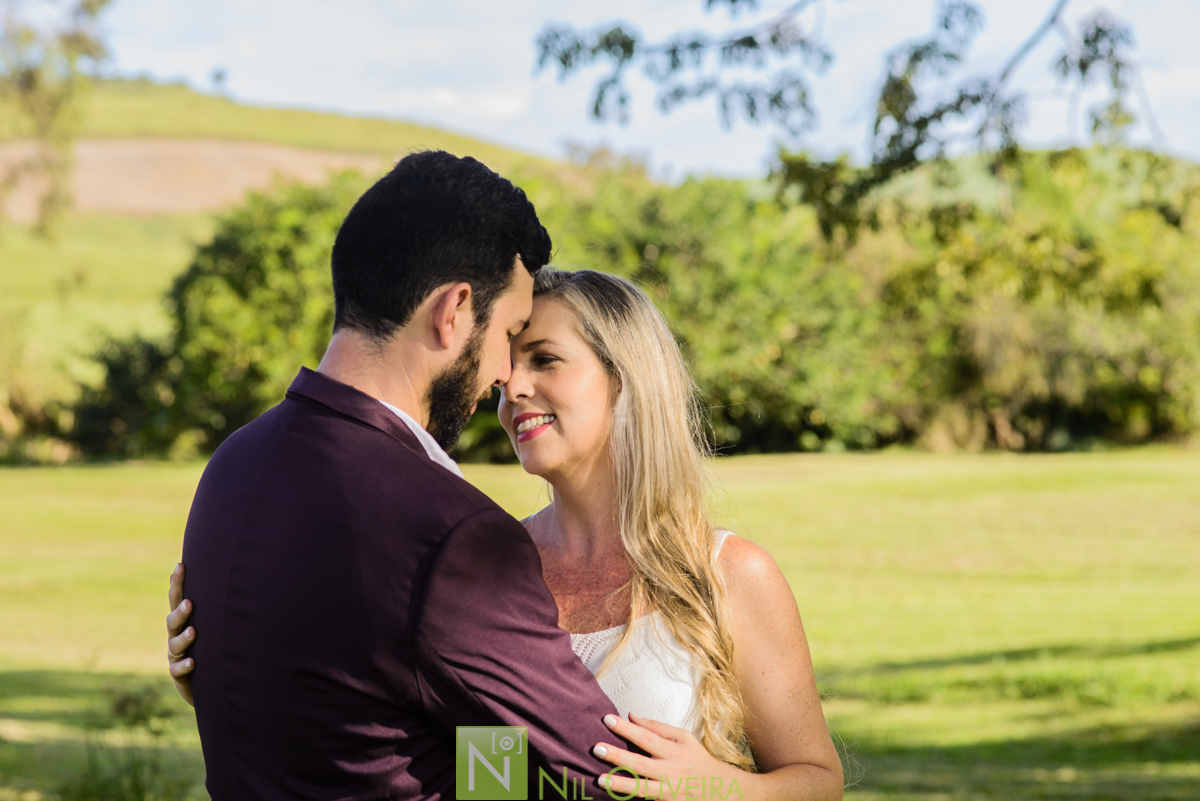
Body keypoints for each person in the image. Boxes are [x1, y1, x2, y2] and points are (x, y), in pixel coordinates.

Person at [171, 260, 845, 798]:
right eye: (506, 372)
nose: (511, 387)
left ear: (626, 380)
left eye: (545, 360)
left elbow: (819, 781)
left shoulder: (730, 575)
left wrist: (717, 788)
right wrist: (230, 658)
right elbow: (470, 777)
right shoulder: (479, 571)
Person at [169, 150, 626, 799]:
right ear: (454, 310)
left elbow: (351, 708)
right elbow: (607, 778)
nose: (505, 374)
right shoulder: (453, 533)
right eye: (510, 331)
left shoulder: (232, 466)